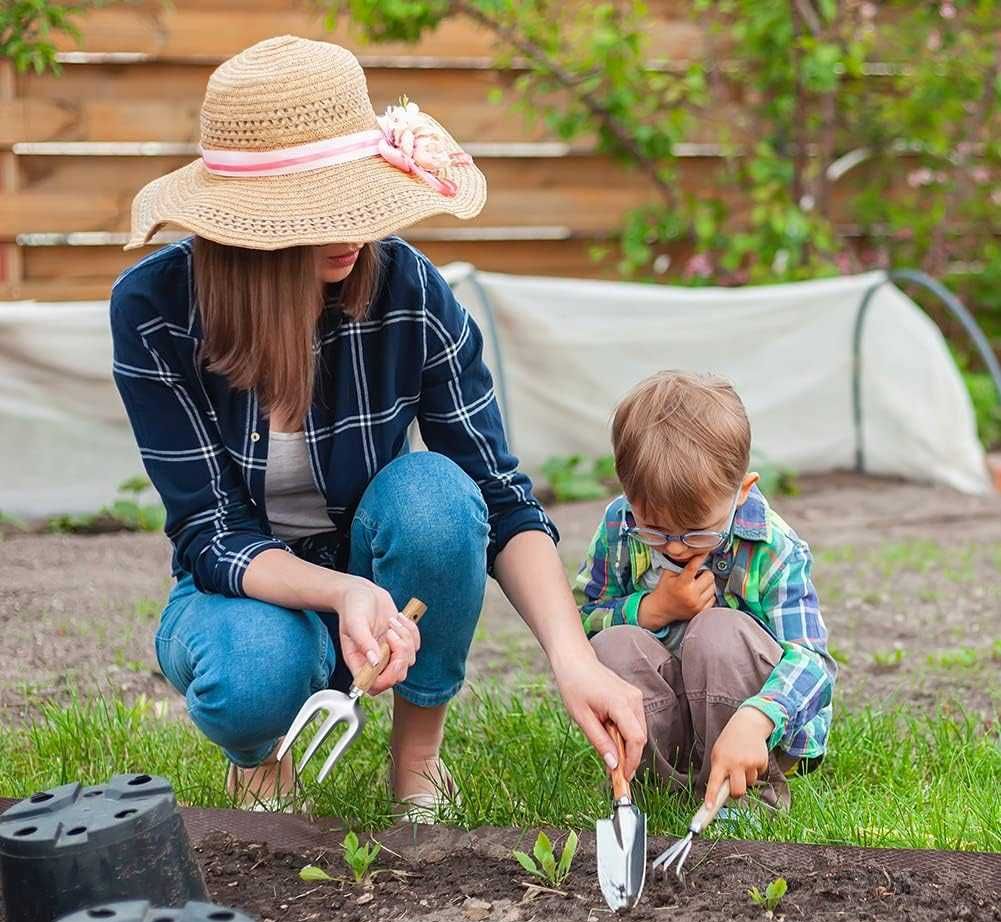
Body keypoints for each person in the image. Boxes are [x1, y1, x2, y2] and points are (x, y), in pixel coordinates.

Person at [111, 35, 645, 815]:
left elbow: (500, 498)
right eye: (321, 205)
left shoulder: (407, 290)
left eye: (358, 195)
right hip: (245, 593)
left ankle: (417, 760)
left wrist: (573, 659)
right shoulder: (156, 310)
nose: (352, 229)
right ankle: (263, 756)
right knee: (249, 674)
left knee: (437, 493)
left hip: (379, 585)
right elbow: (209, 533)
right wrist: (341, 590)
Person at [573, 371, 835, 809]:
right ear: (627, 493)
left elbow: (814, 664)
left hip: (752, 725)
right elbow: (578, 625)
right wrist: (648, 610)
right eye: (655, 530)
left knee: (718, 631)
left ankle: (743, 795)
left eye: (696, 532)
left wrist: (759, 716)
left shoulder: (772, 548)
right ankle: (654, 786)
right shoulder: (619, 529)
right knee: (613, 646)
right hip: (667, 716)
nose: (675, 547)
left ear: (741, 492)